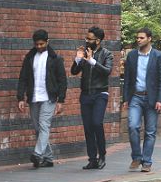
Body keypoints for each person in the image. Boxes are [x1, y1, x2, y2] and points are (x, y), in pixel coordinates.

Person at [16, 29, 67, 169]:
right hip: (33, 97)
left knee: (44, 126)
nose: (38, 46)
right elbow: (23, 78)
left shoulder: (54, 58)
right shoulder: (29, 57)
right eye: (36, 44)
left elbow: (63, 80)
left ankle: (37, 154)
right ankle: (49, 158)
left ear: (47, 42)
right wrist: (20, 97)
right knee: (38, 129)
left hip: (49, 97)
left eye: (41, 44)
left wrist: (61, 100)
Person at [122, 28, 161, 173]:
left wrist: (160, 100)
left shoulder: (159, 56)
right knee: (132, 126)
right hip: (135, 96)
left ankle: (147, 161)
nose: (138, 40)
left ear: (149, 39)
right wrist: (126, 99)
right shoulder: (132, 56)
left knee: (150, 131)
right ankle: (136, 157)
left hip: (152, 98)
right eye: (137, 38)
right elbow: (128, 79)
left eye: (141, 38)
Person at [71, 26, 113, 170]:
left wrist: (92, 61)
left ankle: (102, 155)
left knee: (96, 123)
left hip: (100, 93)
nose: (86, 41)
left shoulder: (107, 54)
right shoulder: (85, 53)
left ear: (98, 40)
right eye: (86, 38)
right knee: (88, 127)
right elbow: (74, 71)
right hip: (86, 95)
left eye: (89, 39)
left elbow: (107, 71)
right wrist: (78, 58)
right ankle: (92, 159)